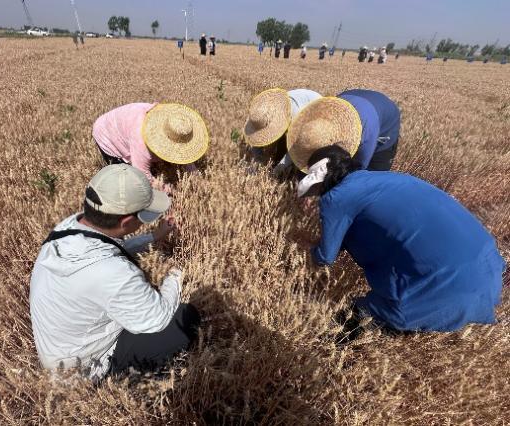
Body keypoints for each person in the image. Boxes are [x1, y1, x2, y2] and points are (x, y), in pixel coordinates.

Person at [296, 145, 505, 333]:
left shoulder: (337, 198)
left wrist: (305, 247)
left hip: (446, 287)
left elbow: (325, 258)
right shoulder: (392, 178)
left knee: (348, 324)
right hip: (489, 270)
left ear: (322, 181)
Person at [30, 164, 201, 382]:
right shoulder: (115, 273)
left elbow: (107, 246)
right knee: (185, 318)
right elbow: (160, 317)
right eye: (144, 216)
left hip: (59, 351)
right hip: (84, 369)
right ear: (127, 221)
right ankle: (131, 381)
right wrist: (177, 274)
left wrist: (153, 237)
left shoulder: (68, 228)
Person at [92, 102, 209, 186]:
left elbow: (184, 154)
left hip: (128, 122)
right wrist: (170, 192)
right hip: (106, 133)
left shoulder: (171, 123)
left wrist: (196, 177)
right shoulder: (142, 142)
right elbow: (143, 176)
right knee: (128, 183)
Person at [286, 91, 401, 172]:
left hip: (386, 122)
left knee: (372, 177)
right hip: (353, 97)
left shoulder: (366, 134)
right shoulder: (320, 116)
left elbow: (358, 169)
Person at [243, 88, 322, 175]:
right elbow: (255, 140)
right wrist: (258, 160)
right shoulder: (262, 113)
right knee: (280, 147)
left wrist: (275, 172)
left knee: (304, 146)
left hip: (317, 109)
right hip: (297, 104)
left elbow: (295, 147)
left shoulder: (293, 116)